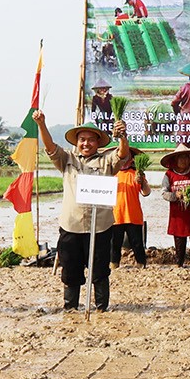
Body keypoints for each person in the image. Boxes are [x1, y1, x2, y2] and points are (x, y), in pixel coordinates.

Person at [34, 111, 129, 312]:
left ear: (98, 142)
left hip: (100, 227)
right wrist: (42, 124)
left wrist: (122, 137)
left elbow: (122, 155)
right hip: (71, 226)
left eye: (90, 140)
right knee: (70, 270)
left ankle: (102, 308)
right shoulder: (66, 159)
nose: (86, 144)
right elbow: (50, 148)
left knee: (100, 270)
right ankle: (70, 308)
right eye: (82, 140)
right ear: (76, 142)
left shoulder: (106, 161)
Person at [160, 144, 190, 268]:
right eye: (180, 157)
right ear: (175, 159)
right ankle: (179, 264)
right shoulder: (169, 174)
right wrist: (176, 195)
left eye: (186, 157)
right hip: (177, 215)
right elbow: (164, 192)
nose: (183, 160)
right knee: (179, 241)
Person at [110, 147, 150, 269]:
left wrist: (142, 181)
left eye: (126, 156)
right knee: (114, 244)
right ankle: (114, 265)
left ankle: (141, 264)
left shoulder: (137, 174)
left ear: (132, 159)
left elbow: (146, 192)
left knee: (137, 243)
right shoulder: (112, 174)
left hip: (133, 215)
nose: (124, 159)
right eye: (121, 156)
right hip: (115, 215)